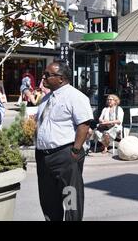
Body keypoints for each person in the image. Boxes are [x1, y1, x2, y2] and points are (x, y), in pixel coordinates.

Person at [35, 61, 93, 221]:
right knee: (48, 200)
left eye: (47, 75)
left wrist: (75, 150)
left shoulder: (75, 97)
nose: (43, 77)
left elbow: (84, 123)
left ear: (60, 78)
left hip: (65, 155)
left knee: (70, 198)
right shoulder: (46, 98)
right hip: (43, 157)